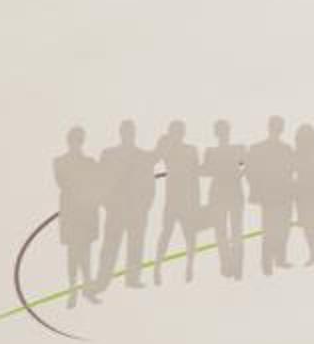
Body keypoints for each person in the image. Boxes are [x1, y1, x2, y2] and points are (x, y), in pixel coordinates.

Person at [99, 120, 154, 292]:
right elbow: (101, 180)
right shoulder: (109, 154)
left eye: (131, 131)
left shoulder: (143, 156)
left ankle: (133, 279)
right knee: (110, 246)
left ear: (134, 134)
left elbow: (150, 184)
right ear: (121, 133)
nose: (128, 134)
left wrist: (144, 206)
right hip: (115, 209)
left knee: (136, 245)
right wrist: (107, 203)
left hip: (137, 210)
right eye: (125, 131)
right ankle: (103, 280)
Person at [51, 126, 102, 305]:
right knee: (73, 251)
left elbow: (97, 183)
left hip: (87, 210)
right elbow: (63, 182)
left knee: (86, 250)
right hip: (72, 210)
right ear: (69, 141)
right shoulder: (60, 162)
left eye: (79, 140)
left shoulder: (90, 162)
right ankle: (73, 288)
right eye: (74, 139)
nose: (77, 143)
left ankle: (87, 287)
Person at [152, 119, 203, 284]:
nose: (177, 135)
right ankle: (157, 267)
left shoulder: (190, 150)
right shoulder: (169, 150)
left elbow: (195, 175)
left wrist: (196, 201)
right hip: (173, 200)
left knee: (189, 234)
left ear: (182, 133)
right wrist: (162, 143)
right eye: (174, 132)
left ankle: (189, 266)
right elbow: (155, 158)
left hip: (187, 200)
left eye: (178, 132)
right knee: (166, 233)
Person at [201, 119, 247, 278]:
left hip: (231, 194)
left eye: (224, 130)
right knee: (224, 233)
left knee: (233, 233)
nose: (223, 133)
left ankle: (235, 268)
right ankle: (229, 267)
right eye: (221, 130)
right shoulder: (212, 152)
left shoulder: (237, 149)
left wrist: (240, 174)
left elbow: (250, 164)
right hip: (221, 195)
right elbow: (205, 171)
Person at [251, 117, 295, 271]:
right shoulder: (261, 148)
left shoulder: (285, 149)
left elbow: (290, 170)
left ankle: (275, 260)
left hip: (282, 194)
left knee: (280, 228)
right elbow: (252, 172)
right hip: (271, 195)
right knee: (271, 229)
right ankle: (268, 262)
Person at [291, 123, 314, 269]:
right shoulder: (297, 151)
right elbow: (292, 167)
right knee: (306, 224)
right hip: (300, 188)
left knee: (313, 223)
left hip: (312, 187)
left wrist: (306, 164)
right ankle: (313, 254)